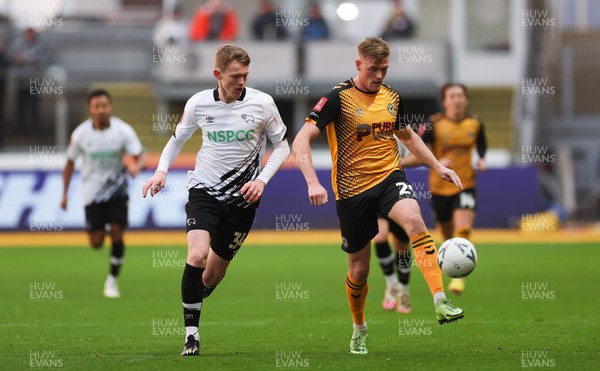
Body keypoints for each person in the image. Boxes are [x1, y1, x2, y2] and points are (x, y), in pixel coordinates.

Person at [292, 37, 464, 355]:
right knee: (359, 270)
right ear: (358, 65)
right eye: (374, 69)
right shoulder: (337, 99)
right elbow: (300, 140)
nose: (380, 75)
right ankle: (359, 327)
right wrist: (311, 182)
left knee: (414, 219)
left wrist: (437, 165)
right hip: (351, 190)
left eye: (384, 68)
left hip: (389, 178)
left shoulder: (392, 98)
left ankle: (440, 300)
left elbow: (407, 136)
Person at [142, 44, 290, 357]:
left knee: (210, 275)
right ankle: (191, 336)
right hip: (204, 191)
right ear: (217, 74)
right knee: (196, 256)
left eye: (245, 75)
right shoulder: (198, 103)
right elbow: (176, 140)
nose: (241, 81)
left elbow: (282, 147)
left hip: (243, 202)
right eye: (235, 76)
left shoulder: (263, 103)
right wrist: (160, 172)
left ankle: (194, 296)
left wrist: (262, 181)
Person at [402, 83, 487, 295]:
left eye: (460, 96)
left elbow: (482, 142)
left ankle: (459, 280)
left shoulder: (475, 123)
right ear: (444, 101)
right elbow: (418, 151)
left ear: (466, 100)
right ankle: (453, 264)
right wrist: (438, 161)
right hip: (440, 188)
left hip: (465, 184)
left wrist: (482, 158)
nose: (457, 100)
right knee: (448, 237)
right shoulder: (433, 124)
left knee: (463, 229)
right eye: (452, 96)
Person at [61, 89, 146, 298]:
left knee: (118, 233)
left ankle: (112, 281)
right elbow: (69, 164)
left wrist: (136, 167)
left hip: (117, 189)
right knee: (96, 243)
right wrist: (64, 195)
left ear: (110, 107)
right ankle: (105, 227)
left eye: (104, 106)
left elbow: (141, 155)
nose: (101, 110)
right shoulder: (80, 134)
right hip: (92, 192)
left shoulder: (122, 130)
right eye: (96, 106)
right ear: (90, 109)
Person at [8, 27, 49, 137]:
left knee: (34, 108)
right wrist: (28, 59)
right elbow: (11, 57)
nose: (29, 36)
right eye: (27, 33)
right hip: (21, 81)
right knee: (19, 108)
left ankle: (34, 131)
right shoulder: (17, 43)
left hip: (34, 82)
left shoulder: (41, 44)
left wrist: (24, 58)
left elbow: (41, 59)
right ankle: (19, 131)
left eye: (31, 33)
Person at [374, 216, 412, 313]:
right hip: (376, 202)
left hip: (400, 202)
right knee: (379, 237)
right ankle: (392, 283)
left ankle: (404, 290)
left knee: (402, 246)